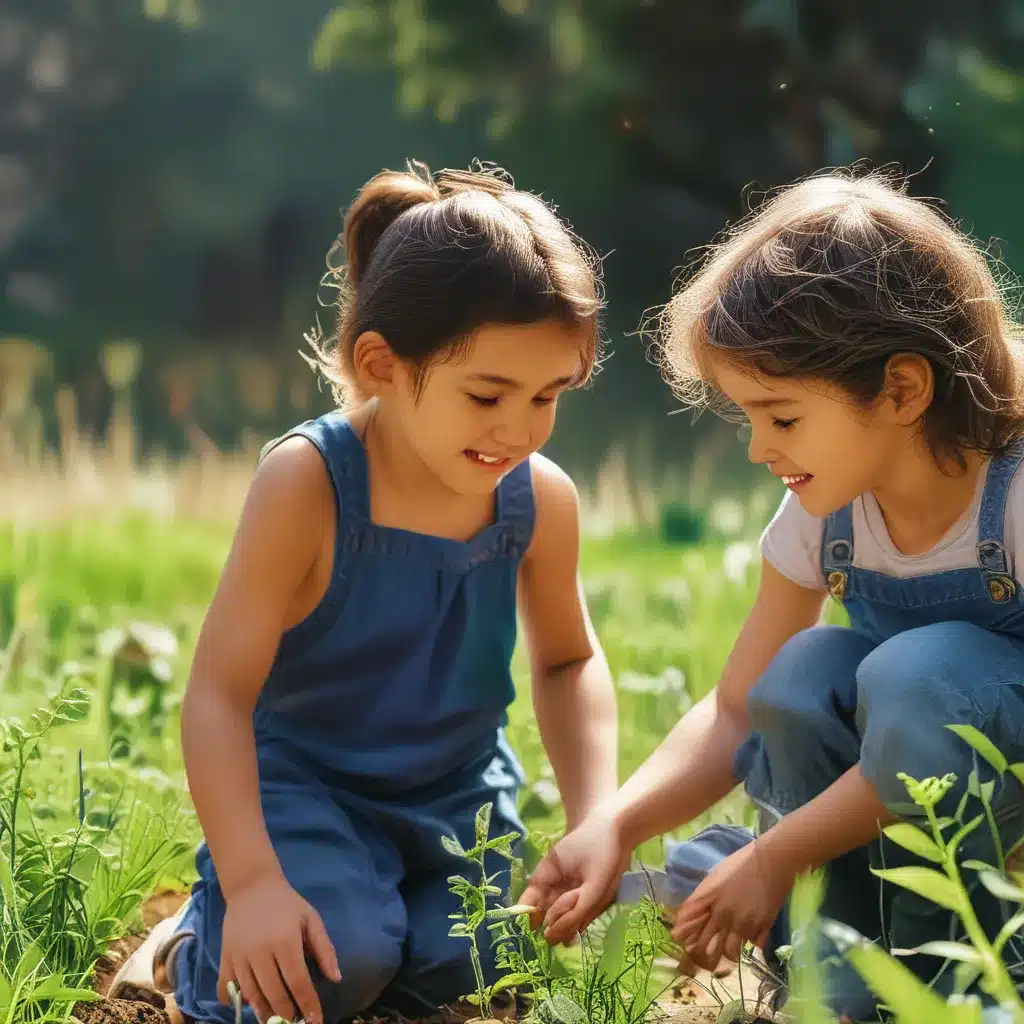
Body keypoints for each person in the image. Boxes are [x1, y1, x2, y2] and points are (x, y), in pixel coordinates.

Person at [110, 160, 619, 1024]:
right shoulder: (308, 482)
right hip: (304, 791)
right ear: (379, 363)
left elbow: (568, 662)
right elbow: (218, 697)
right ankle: (200, 943)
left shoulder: (542, 499)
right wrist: (256, 881)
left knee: (480, 969)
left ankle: (373, 942)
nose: (519, 428)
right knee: (329, 966)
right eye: (487, 394)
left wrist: (595, 816)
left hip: (458, 797)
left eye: (547, 396)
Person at [521, 168, 1024, 1019]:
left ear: (902, 390)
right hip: (900, 767)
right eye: (746, 417)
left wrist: (774, 855)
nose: (759, 449)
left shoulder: (1011, 495)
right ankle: (833, 983)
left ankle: (956, 985)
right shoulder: (823, 510)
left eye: (782, 417)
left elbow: (924, 711)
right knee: (796, 675)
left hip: (992, 782)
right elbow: (735, 708)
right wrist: (614, 823)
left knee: (912, 671)